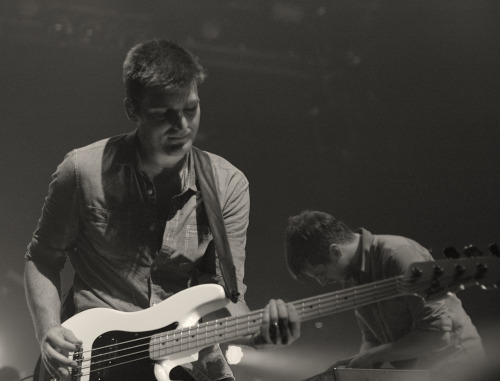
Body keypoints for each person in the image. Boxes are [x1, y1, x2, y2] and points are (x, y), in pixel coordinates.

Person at [24, 39, 300, 381]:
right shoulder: (82, 171)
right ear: (132, 110)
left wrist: (260, 335)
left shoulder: (227, 185)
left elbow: (223, 294)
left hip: (181, 358)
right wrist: (47, 330)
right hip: (91, 355)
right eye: (163, 115)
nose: (182, 126)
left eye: (191, 109)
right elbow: (42, 259)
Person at [285, 210, 487, 381]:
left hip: (459, 368)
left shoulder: (397, 254)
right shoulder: (349, 275)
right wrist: (352, 367)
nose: (322, 282)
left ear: (335, 251)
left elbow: (437, 334)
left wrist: (372, 357)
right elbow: (373, 338)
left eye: (321, 273)